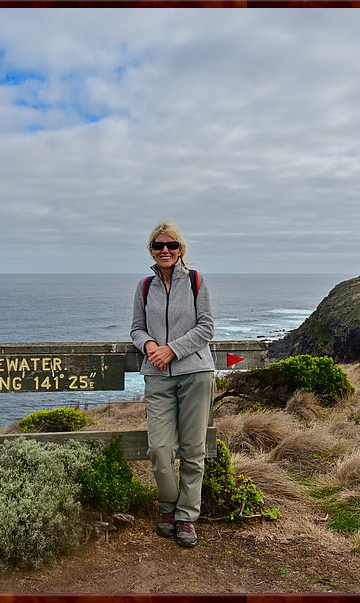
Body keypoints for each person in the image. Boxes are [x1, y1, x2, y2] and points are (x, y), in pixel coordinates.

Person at [130, 220, 215, 548]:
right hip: (157, 377)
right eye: (158, 245)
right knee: (159, 450)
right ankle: (168, 507)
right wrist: (150, 345)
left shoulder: (195, 281)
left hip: (195, 374)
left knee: (194, 450)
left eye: (171, 245)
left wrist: (173, 349)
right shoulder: (143, 287)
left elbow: (207, 327)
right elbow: (136, 328)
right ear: (151, 250)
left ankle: (185, 517)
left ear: (181, 250)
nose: (165, 250)